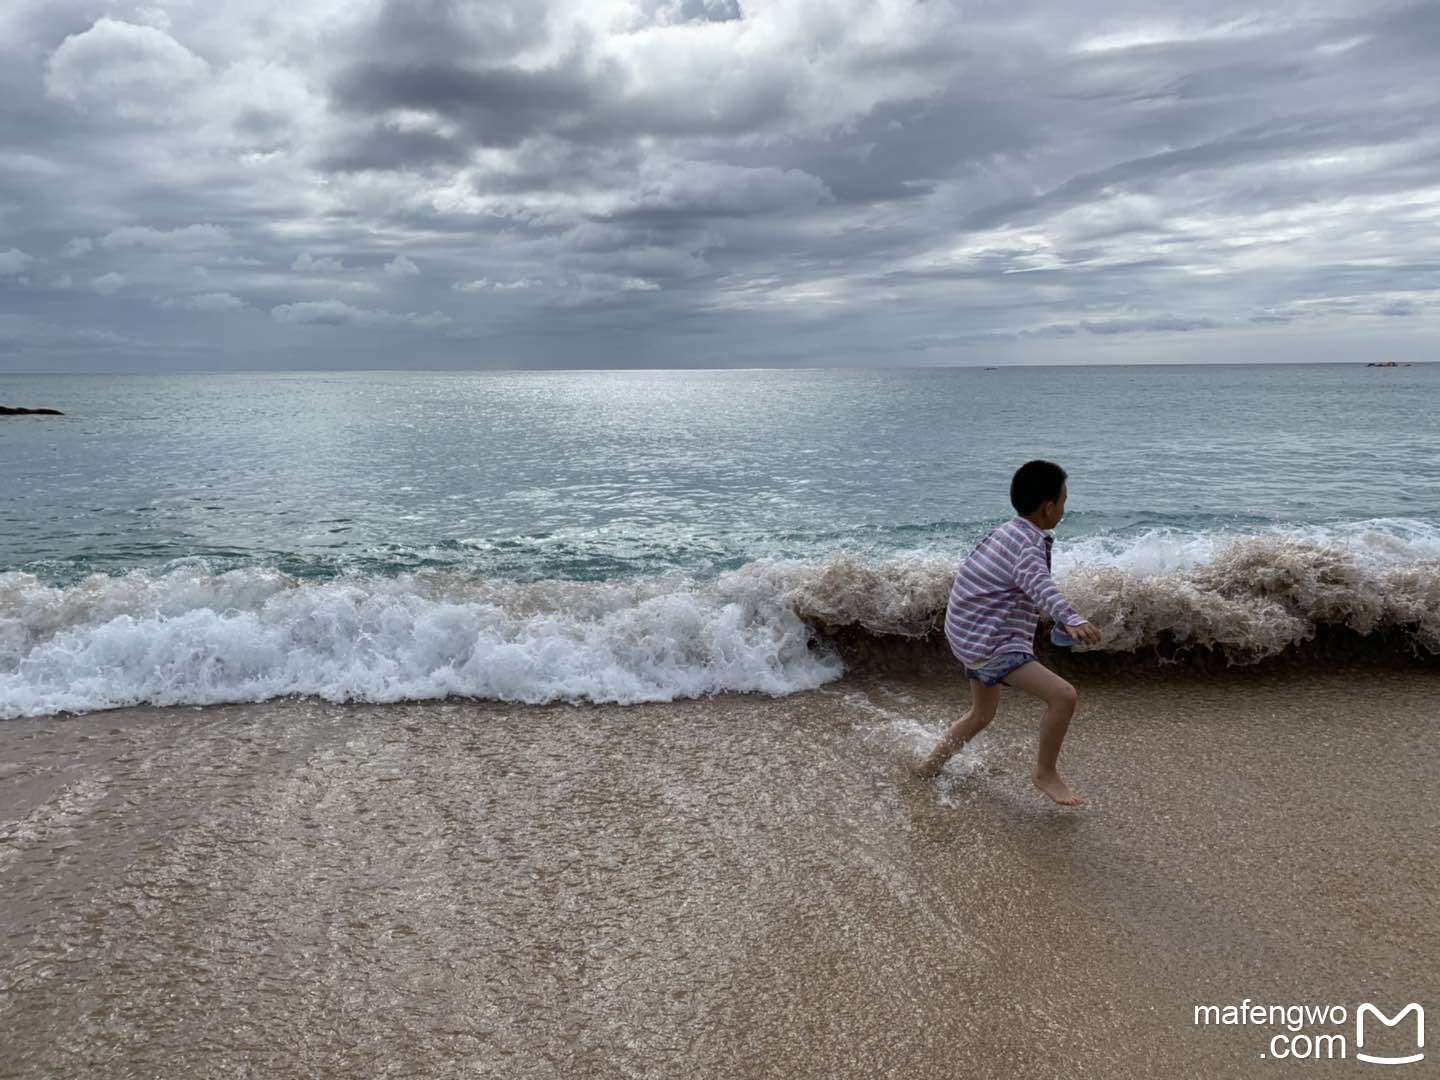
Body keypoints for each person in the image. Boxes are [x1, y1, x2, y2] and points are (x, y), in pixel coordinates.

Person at [910, 460, 1102, 805]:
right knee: (1063, 697)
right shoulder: (1025, 546)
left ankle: (928, 768)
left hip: (968, 634)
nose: (1064, 508)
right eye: (1063, 501)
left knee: (981, 714)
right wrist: (1070, 618)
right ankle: (1045, 772)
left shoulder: (1008, 532)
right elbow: (1041, 586)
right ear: (1048, 508)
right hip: (990, 641)